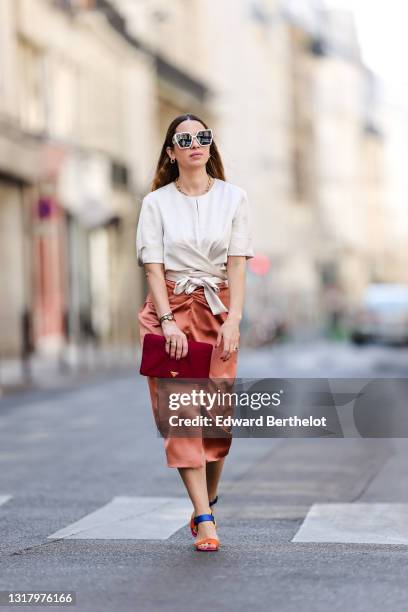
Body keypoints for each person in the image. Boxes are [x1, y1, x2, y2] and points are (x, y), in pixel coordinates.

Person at [136, 113, 254, 551]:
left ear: (210, 146)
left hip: (218, 311)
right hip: (170, 310)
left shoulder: (234, 198)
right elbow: (153, 266)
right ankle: (204, 518)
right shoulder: (156, 203)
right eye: (184, 139)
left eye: (202, 137)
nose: (195, 144)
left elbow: (238, 262)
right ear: (171, 152)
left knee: (218, 424)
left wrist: (234, 319)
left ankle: (210, 496)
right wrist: (167, 322)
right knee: (184, 416)